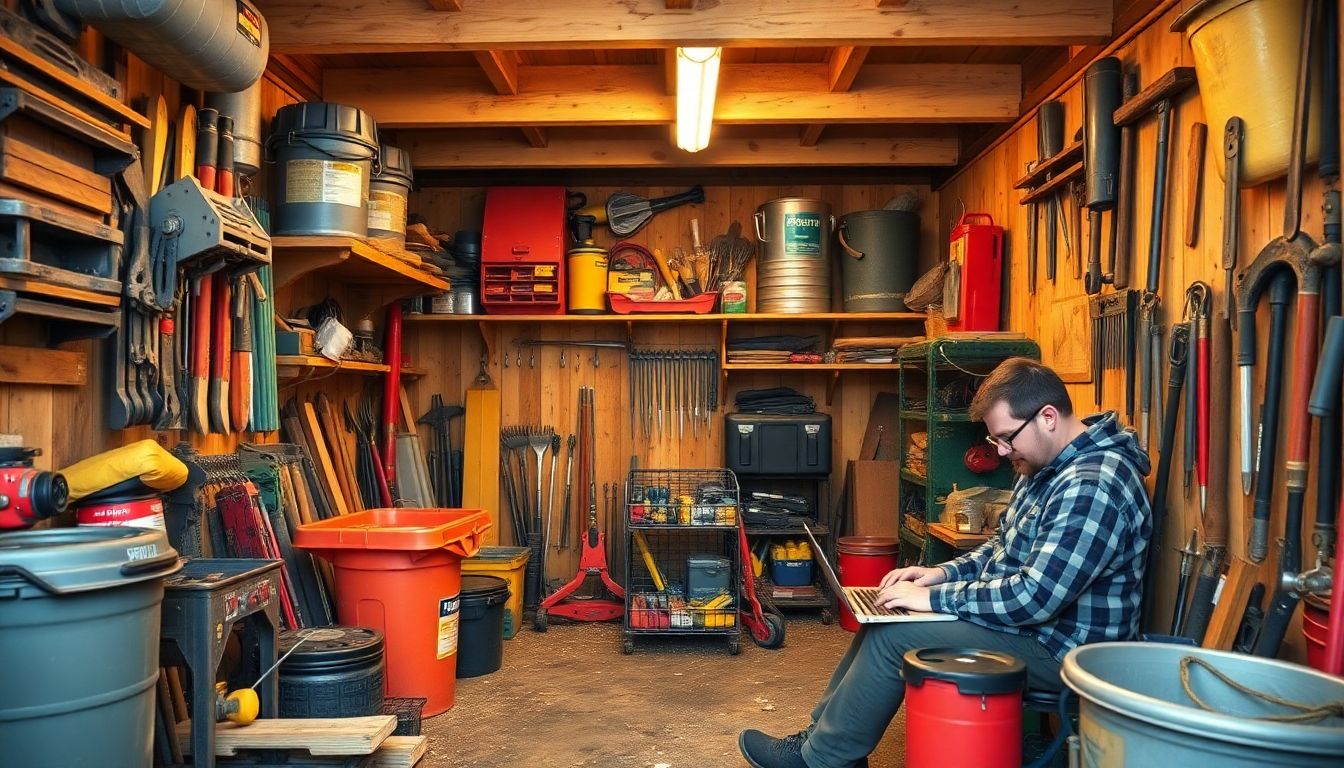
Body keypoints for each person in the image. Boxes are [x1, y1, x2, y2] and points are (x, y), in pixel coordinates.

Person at [738, 357, 1153, 768]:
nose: (1003, 451)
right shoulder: (1044, 467)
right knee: (883, 620)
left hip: (1063, 650)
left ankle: (823, 761)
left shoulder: (1092, 484)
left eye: (1007, 437)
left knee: (897, 637)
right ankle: (821, 742)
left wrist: (934, 600)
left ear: (1047, 417)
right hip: (1033, 629)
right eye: (996, 441)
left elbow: (1033, 597)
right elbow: (999, 548)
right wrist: (938, 574)